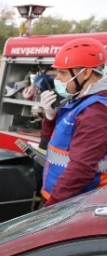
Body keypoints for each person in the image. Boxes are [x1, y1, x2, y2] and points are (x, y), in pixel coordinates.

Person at [39, 38, 107, 207]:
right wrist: (49, 117)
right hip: (61, 200)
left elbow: (81, 169)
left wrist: (49, 209)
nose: (58, 79)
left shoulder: (95, 111)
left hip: (72, 206)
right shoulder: (78, 101)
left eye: (62, 73)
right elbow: (52, 142)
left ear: (85, 73)